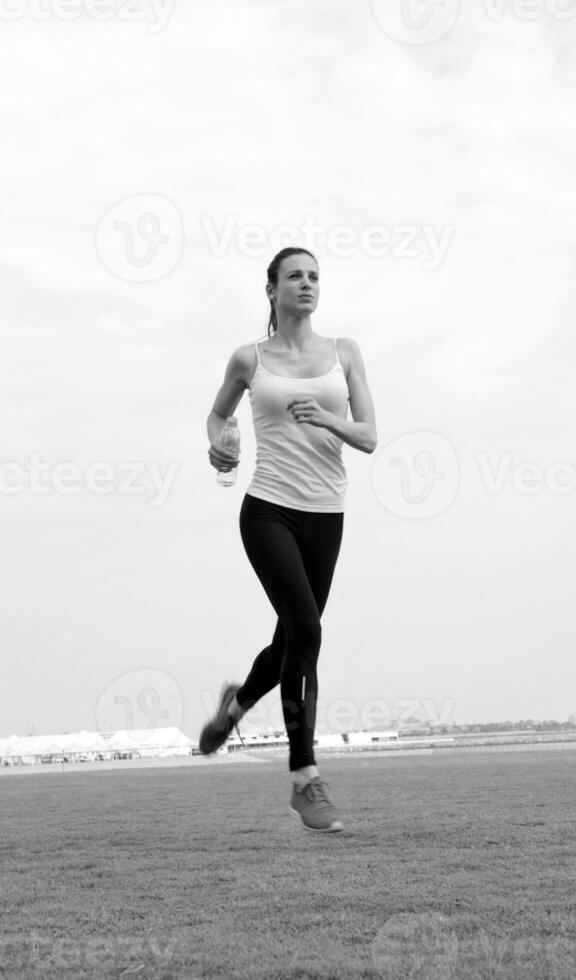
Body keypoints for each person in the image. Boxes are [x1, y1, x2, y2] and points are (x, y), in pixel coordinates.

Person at [199, 246, 377, 833]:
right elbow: (217, 415)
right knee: (308, 628)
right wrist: (219, 443)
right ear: (271, 289)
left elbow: (371, 436)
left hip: (327, 513)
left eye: (314, 276)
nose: (307, 284)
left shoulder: (344, 353)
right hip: (268, 510)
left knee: (291, 642)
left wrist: (329, 419)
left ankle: (236, 706)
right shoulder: (249, 359)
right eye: (294, 276)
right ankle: (304, 777)